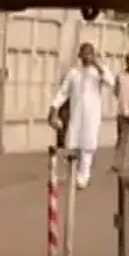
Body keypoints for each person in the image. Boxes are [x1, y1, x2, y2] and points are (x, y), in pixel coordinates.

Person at [49, 42, 114, 189]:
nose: (86, 56)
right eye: (84, 53)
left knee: (87, 146)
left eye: (89, 53)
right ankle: (73, 174)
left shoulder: (99, 72)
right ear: (79, 55)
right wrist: (54, 107)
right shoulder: (74, 73)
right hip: (76, 114)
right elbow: (63, 92)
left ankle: (84, 177)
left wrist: (97, 65)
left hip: (92, 115)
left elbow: (111, 82)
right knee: (72, 144)